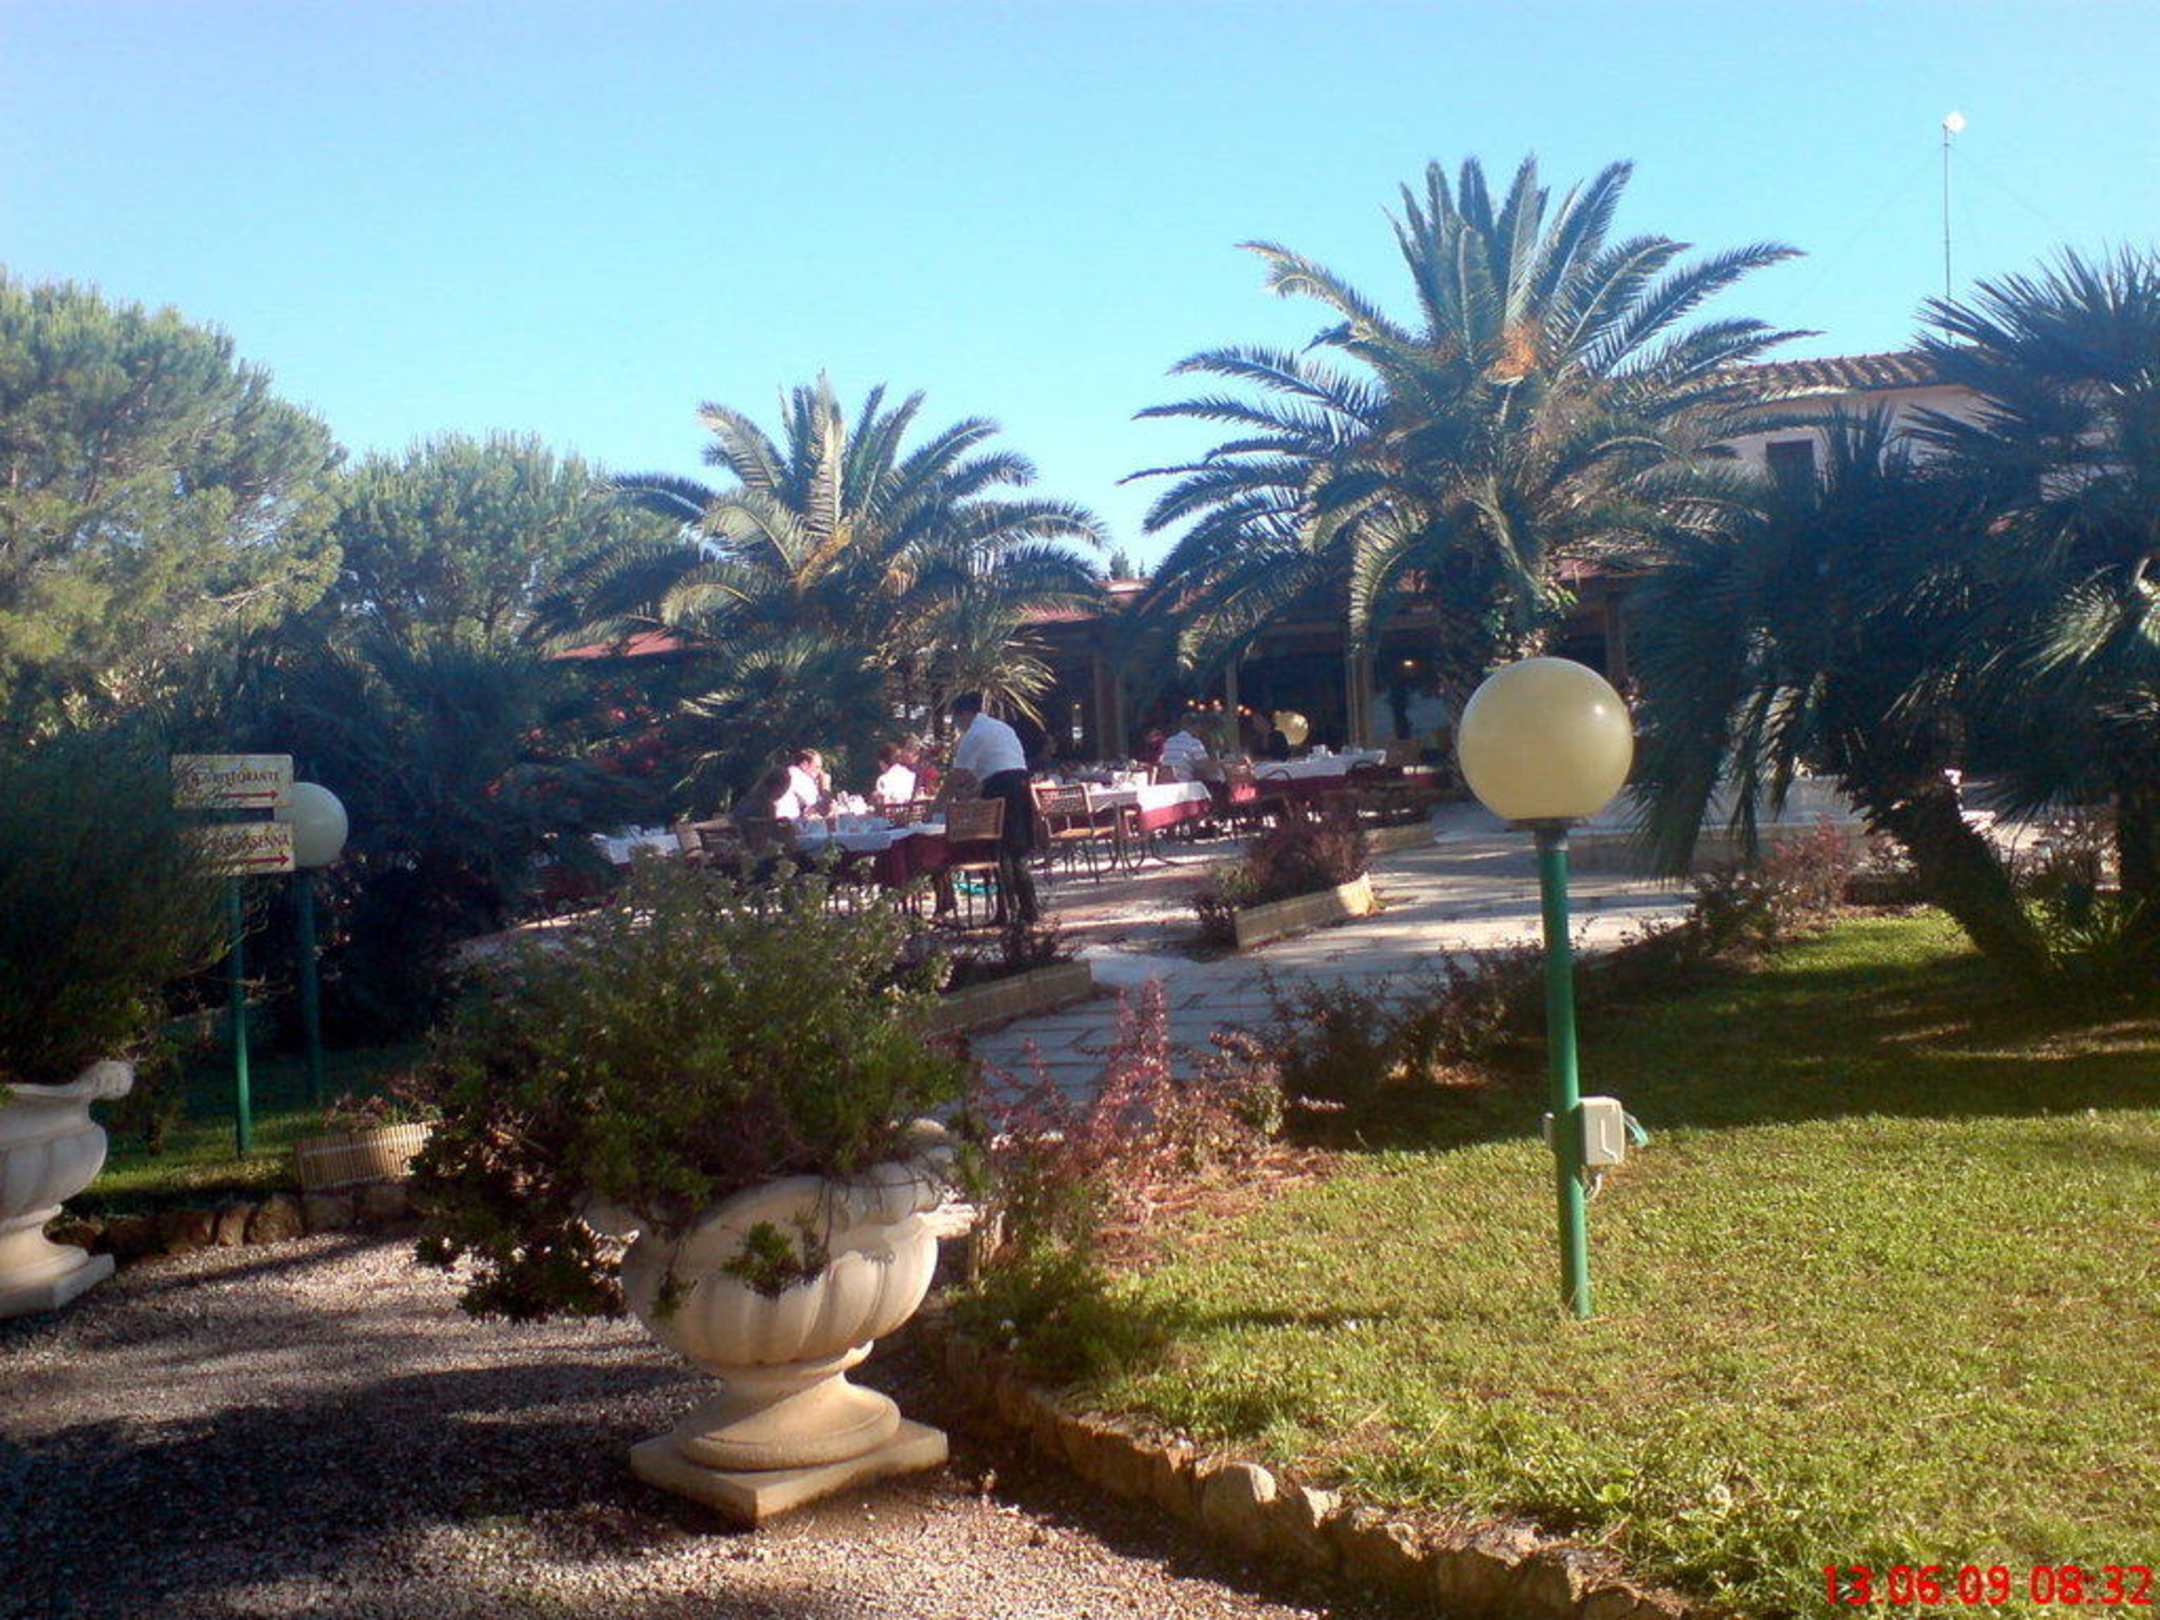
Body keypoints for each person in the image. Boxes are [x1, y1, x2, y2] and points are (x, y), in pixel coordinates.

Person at [948, 691, 1039, 925]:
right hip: (1021, 786)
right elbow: (1000, 769)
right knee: (1017, 852)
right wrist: (973, 792)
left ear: (964, 714)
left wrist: (935, 809)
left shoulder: (973, 734)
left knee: (1001, 853)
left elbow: (956, 778)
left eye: (956, 719)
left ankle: (1010, 911)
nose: (956, 725)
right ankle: (1026, 909)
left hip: (1003, 789)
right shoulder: (1002, 728)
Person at [1159, 714, 1212, 780]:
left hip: (1168, 781)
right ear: (1196, 726)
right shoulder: (1194, 742)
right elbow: (1205, 766)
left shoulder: (1169, 741)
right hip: (1185, 782)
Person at [786, 748, 829, 816]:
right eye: (817, 767)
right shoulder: (798, 776)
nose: (820, 772)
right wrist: (825, 785)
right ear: (804, 765)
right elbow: (823, 809)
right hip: (789, 820)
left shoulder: (792, 772)